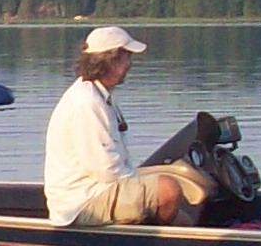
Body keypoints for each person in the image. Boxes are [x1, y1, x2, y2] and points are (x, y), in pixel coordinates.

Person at [41, 26, 213, 226]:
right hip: (82, 203)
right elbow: (105, 171)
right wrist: (148, 184)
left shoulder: (98, 96)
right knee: (168, 190)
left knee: (182, 219)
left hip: (97, 191)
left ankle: (165, 243)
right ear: (111, 60)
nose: (130, 64)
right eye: (127, 58)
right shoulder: (86, 102)